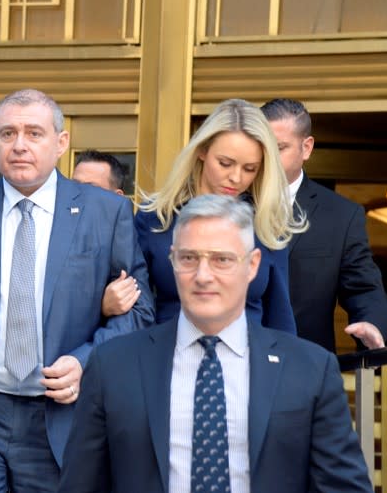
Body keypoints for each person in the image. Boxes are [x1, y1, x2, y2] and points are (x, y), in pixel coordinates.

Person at [0, 88, 154, 493]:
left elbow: (139, 314)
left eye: (34, 133)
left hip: (62, 416)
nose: (19, 145)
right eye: (8, 134)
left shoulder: (105, 213)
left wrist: (85, 361)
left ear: (61, 142)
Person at [58, 194, 373, 493]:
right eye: (189, 258)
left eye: (222, 259)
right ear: (172, 261)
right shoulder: (113, 365)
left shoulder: (310, 370)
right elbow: (82, 487)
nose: (203, 275)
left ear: (252, 265)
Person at [105, 98, 305, 332]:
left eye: (250, 168)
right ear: (201, 150)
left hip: (250, 361)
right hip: (167, 359)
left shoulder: (267, 221)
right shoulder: (157, 217)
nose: (236, 177)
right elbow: (131, 305)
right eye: (225, 163)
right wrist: (106, 305)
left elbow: (280, 318)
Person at [261, 98, 387, 351]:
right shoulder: (230, 203)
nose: (268, 158)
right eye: (261, 147)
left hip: (304, 369)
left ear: (306, 148)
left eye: (279, 148)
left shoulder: (341, 215)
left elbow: (363, 287)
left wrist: (371, 324)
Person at [72, 150, 140, 315]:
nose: (78, 194)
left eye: (90, 189)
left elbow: (136, 312)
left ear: (117, 197)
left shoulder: (123, 243)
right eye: (74, 186)